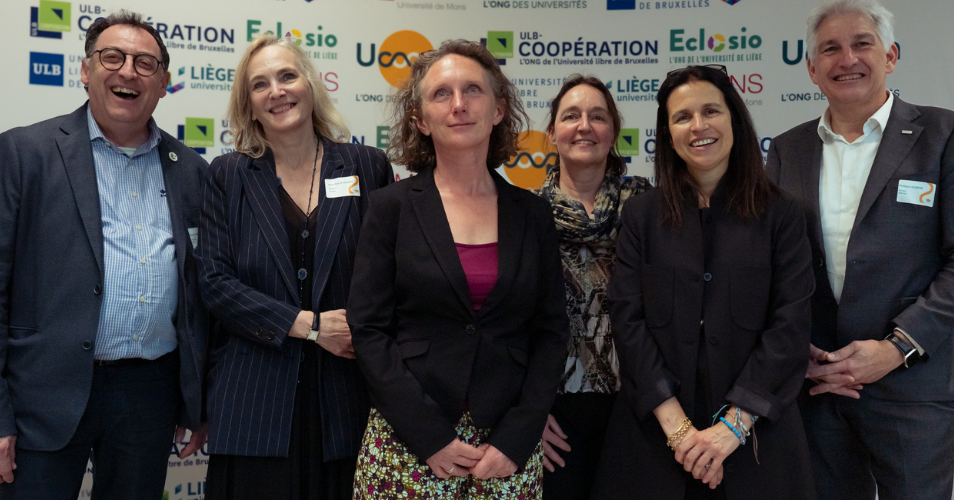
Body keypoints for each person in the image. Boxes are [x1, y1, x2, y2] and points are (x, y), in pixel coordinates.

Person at [0, 11, 208, 499]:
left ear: (163, 84)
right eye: (112, 57)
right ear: (86, 70)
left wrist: (195, 403)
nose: (128, 71)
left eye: (145, 63)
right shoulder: (23, 153)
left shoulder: (191, 170)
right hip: (41, 397)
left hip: (149, 397)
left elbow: (201, 297)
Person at [765, 1, 954, 499]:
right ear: (811, 69)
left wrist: (898, 348)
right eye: (830, 49)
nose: (846, 59)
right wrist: (795, 350)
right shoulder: (788, 150)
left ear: (891, 56)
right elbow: (774, 264)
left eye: (862, 43)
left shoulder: (949, 136)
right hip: (817, 387)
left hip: (911, 388)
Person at [347, 39, 568, 500]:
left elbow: (550, 332)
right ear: (420, 120)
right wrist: (430, 437)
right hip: (409, 442)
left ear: (498, 109)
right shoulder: (390, 208)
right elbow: (369, 330)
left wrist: (518, 436)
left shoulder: (532, 214)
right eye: (441, 94)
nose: (459, 104)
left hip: (505, 449)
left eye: (473, 90)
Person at [593, 65, 816, 500]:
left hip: (757, 442)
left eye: (711, 111)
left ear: (734, 119)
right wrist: (681, 434)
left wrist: (731, 429)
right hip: (655, 441)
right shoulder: (641, 216)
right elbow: (628, 320)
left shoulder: (782, 214)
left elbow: (790, 325)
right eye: (682, 117)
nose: (698, 126)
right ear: (668, 133)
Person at [196, 34, 393, 500]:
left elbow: (390, 276)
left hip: (347, 404)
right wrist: (309, 326)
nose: (277, 91)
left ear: (311, 84)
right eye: (260, 84)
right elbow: (215, 282)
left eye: (287, 76)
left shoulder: (367, 166)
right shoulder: (227, 175)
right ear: (248, 105)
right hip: (252, 406)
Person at [529, 75, 651, 499]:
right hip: (553, 411)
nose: (584, 126)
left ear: (613, 133)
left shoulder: (648, 208)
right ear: (552, 132)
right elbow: (507, 321)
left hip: (638, 404)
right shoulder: (524, 213)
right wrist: (526, 414)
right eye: (571, 116)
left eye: (597, 117)